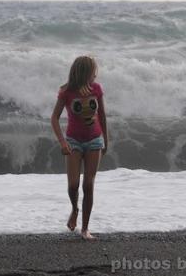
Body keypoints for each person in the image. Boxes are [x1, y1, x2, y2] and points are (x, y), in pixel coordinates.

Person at [51, 55, 108, 241]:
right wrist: (63, 142)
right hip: (73, 141)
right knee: (73, 185)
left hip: (94, 141)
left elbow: (102, 115)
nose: (96, 75)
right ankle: (74, 209)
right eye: (93, 72)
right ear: (85, 73)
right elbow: (54, 118)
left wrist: (105, 140)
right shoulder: (66, 92)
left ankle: (85, 229)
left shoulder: (96, 89)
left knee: (88, 185)